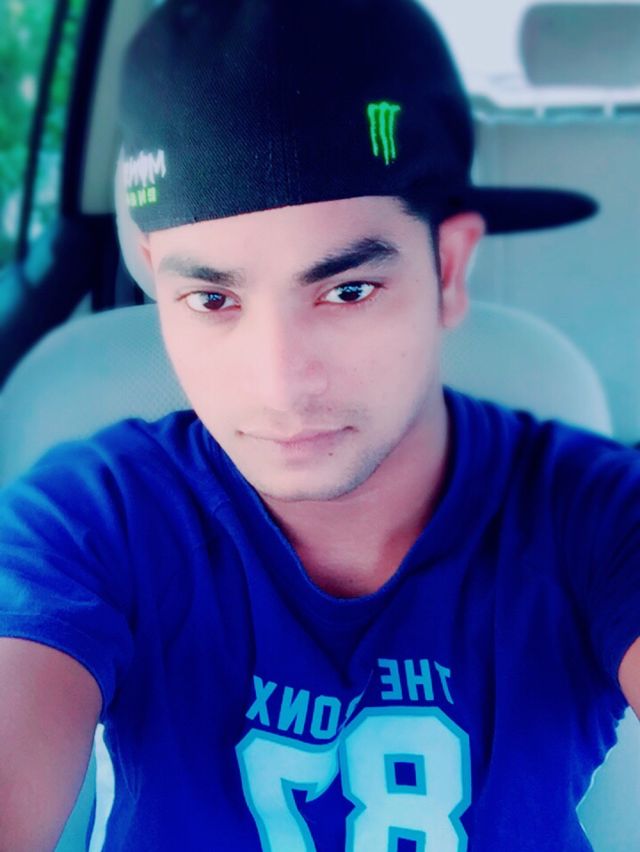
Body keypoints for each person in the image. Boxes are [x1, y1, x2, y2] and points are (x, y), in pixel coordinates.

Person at [0, 0, 638, 849]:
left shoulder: (591, 513)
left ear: (449, 268)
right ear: (155, 281)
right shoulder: (91, 517)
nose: (280, 386)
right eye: (212, 299)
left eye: (347, 291)